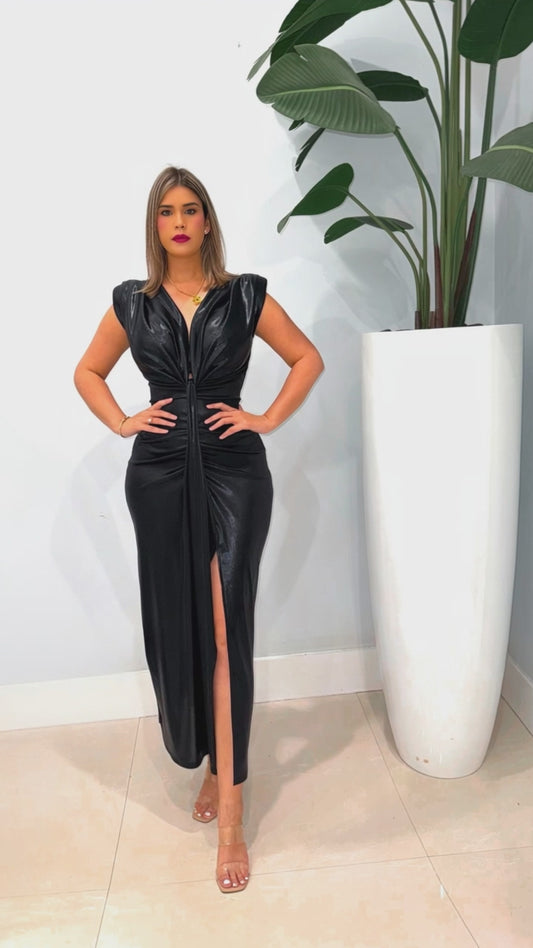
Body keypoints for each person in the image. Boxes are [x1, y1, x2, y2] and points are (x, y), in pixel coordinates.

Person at [74, 166, 324, 894]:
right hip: (156, 476)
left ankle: (233, 817)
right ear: (155, 226)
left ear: (207, 221)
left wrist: (265, 418)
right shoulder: (132, 302)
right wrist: (123, 420)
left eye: (190, 210)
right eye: (166, 212)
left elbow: (306, 357)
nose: (179, 222)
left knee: (225, 629)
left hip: (233, 473)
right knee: (181, 625)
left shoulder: (245, 295)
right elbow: (87, 372)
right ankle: (213, 761)